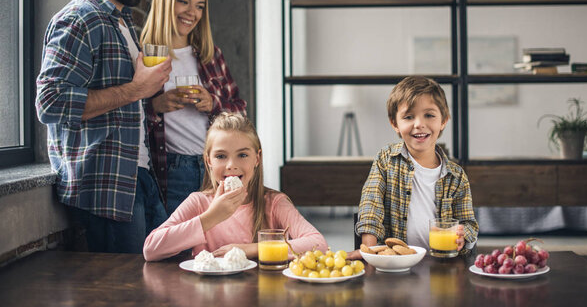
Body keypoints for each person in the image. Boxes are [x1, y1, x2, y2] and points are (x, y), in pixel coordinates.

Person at [36, 0, 170, 253]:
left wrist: (151, 89)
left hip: (138, 177)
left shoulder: (122, 19)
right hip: (105, 190)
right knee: (124, 293)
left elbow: (128, 99)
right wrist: (136, 90)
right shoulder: (78, 19)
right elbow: (50, 103)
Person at [143, 112, 328, 261]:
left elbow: (318, 244)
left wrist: (250, 249)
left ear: (257, 158)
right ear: (208, 161)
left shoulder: (273, 203)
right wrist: (211, 217)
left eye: (242, 155)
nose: (231, 165)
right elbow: (151, 249)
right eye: (221, 156)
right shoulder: (198, 202)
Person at [141, 0, 247, 216]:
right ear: (165, 2)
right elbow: (126, 118)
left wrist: (213, 103)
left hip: (215, 168)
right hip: (172, 169)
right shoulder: (144, 56)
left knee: (216, 247)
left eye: (199, 6)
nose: (193, 13)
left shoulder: (210, 56)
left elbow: (240, 113)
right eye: (183, 2)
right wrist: (156, 106)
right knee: (178, 249)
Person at [351, 76, 478, 258]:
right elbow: (371, 207)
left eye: (429, 115)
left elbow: (468, 224)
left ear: (443, 120)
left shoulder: (457, 176)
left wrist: (462, 237)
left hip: (442, 264)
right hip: (396, 265)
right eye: (409, 117)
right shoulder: (386, 160)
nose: (419, 124)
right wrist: (369, 253)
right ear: (395, 123)